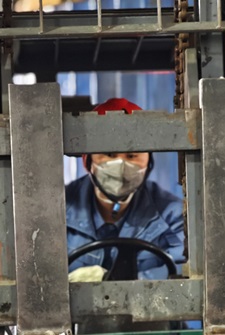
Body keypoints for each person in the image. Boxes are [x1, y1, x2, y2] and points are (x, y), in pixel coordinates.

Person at [65, 98, 186, 281]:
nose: (121, 165)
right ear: (88, 161)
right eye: (110, 154)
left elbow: (186, 270)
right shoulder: (57, 212)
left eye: (131, 155)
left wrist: (111, 282)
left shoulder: (174, 215)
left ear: (148, 160)